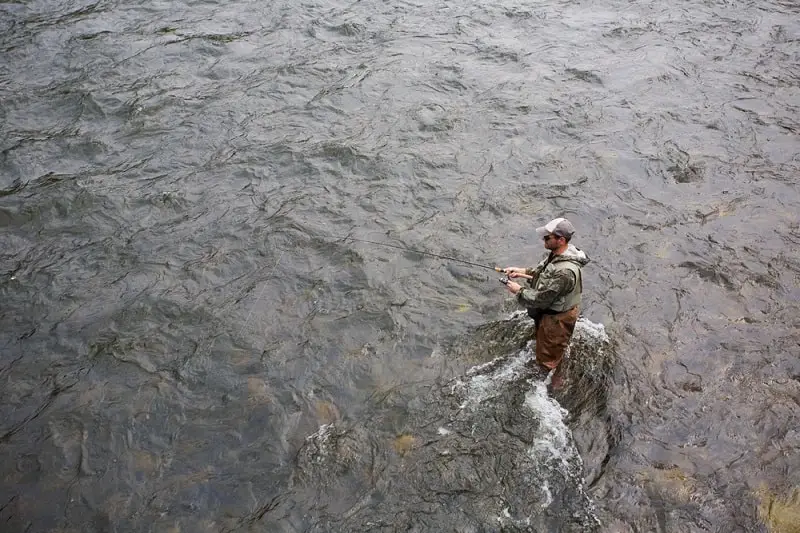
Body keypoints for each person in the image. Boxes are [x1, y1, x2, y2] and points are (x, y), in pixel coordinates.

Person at [501, 217, 590, 372]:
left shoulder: (565, 272)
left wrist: (518, 290)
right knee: (547, 345)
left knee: (548, 361)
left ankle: (551, 379)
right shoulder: (558, 253)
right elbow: (543, 272)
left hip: (557, 320)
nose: (543, 239)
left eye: (547, 237)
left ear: (561, 240)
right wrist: (521, 272)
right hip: (550, 313)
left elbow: (542, 299)